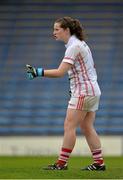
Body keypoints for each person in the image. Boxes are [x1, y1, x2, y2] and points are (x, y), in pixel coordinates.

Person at [26, 16, 106, 171]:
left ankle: (61, 164)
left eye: (57, 29)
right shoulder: (80, 44)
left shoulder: (73, 46)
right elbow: (83, 70)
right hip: (92, 90)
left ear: (67, 30)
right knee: (87, 127)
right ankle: (99, 163)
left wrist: (37, 72)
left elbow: (60, 72)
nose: (54, 32)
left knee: (69, 125)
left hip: (83, 91)